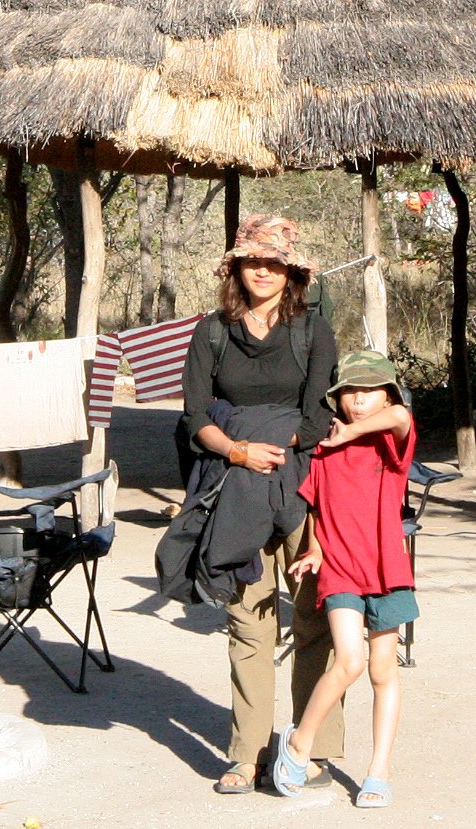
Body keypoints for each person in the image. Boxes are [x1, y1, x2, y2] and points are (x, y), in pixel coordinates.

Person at [178, 214, 339, 795]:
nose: (263, 272)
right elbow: (195, 416)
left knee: (315, 614)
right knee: (248, 621)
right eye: (253, 262)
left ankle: (311, 747)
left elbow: (322, 413)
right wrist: (239, 451)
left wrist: (277, 442)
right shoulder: (212, 332)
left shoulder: (313, 331)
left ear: (291, 273)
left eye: (274, 263)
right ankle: (247, 754)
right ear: (237, 269)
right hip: (237, 487)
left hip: (303, 488)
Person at [274, 348, 417, 808]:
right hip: (340, 570)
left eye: (369, 391)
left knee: (382, 670)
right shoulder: (323, 451)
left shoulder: (390, 443)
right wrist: (315, 549)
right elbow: (318, 508)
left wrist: (353, 431)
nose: (358, 400)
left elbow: (401, 417)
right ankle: (299, 743)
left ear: (387, 396)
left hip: (388, 569)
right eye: (350, 392)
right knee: (349, 662)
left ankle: (379, 770)